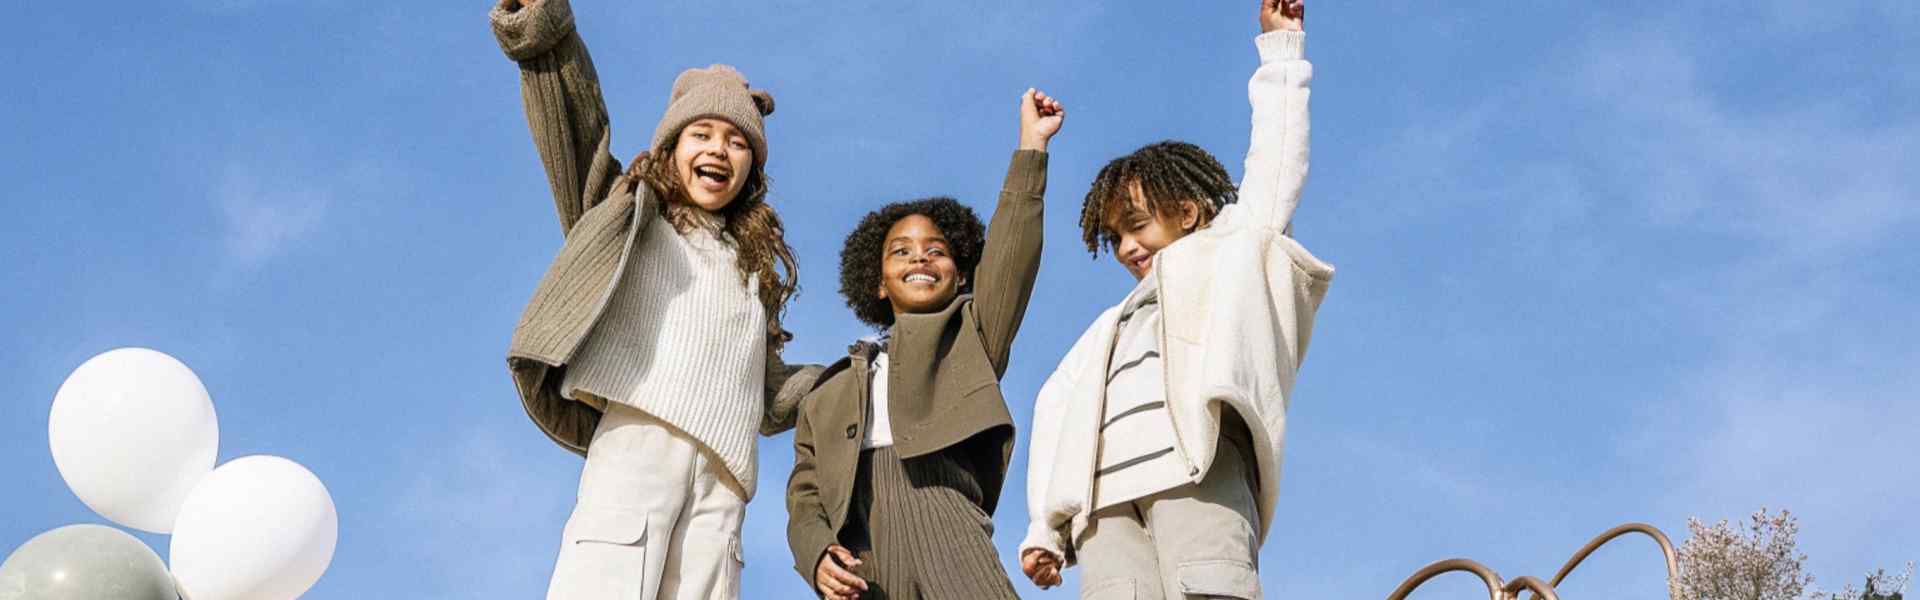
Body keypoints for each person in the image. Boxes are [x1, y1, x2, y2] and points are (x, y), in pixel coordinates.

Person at [488, 0, 821, 598]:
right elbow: (579, 131)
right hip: (639, 439)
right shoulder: (631, 215)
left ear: (753, 167)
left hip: (725, 479)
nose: (720, 149)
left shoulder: (753, 276)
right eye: (702, 133)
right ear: (671, 147)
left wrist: (855, 378)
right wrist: (543, 30)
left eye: (738, 142)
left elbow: (768, 393)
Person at [1018, 1, 1334, 598]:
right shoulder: (1109, 327)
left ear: (1186, 212)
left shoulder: (1230, 253)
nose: (1126, 247)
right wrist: (1046, 526)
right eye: (1114, 238)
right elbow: (1055, 408)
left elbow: (1275, 164)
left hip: (1194, 466)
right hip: (1102, 504)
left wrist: (1282, 51)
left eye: (1138, 225)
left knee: (1209, 587)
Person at [787, 89, 1065, 600]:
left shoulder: (971, 335)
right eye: (901, 252)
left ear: (961, 275)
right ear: (878, 281)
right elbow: (805, 494)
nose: (920, 259)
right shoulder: (825, 394)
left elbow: (1011, 255)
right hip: (858, 549)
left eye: (936, 251)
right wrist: (816, 553)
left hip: (945, 512)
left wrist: (1032, 148)